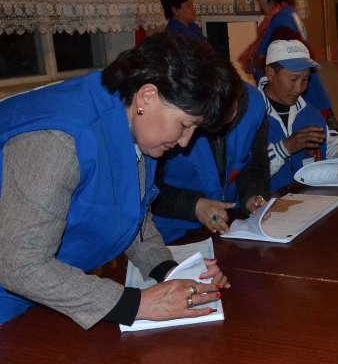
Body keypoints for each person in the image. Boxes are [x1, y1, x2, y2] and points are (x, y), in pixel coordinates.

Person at [0, 33, 240, 329]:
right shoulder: (59, 140)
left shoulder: (138, 122)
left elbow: (132, 213)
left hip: (54, 288)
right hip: (10, 297)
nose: (184, 141)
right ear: (147, 97)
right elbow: (20, 264)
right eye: (184, 125)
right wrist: (138, 304)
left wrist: (168, 271)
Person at [152, 82, 270, 242]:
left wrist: (252, 194)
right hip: (170, 233)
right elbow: (146, 189)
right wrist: (194, 205)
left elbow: (255, 163)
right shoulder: (171, 105)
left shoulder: (254, 105)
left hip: (228, 225)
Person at [262, 40, 338, 191]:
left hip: (309, 197)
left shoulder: (310, 113)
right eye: (293, 79)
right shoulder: (249, 116)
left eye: (305, 79)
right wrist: (284, 148)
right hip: (268, 202)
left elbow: (329, 146)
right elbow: (245, 175)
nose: (299, 89)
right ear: (270, 73)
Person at [239, 0, 332, 113]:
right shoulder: (287, 14)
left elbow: (288, 62)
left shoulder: (281, 21)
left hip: (297, 102)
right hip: (301, 98)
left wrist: (257, 63)